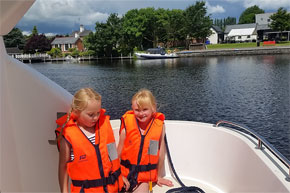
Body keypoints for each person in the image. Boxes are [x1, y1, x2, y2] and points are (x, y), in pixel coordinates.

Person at [56, 88, 123, 193]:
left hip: (113, 188)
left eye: (98, 113)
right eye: (91, 114)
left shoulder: (104, 125)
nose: (95, 117)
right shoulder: (69, 135)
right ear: (77, 112)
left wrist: (120, 175)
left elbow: (112, 154)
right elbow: (63, 167)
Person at [117, 89, 173, 192]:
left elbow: (160, 153)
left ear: (153, 108)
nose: (141, 113)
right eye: (137, 110)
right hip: (124, 174)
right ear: (132, 109)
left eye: (145, 109)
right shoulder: (127, 125)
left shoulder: (158, 126)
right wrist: (118, 175)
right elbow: (117, 152)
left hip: (144, 180)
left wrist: (159, 176)